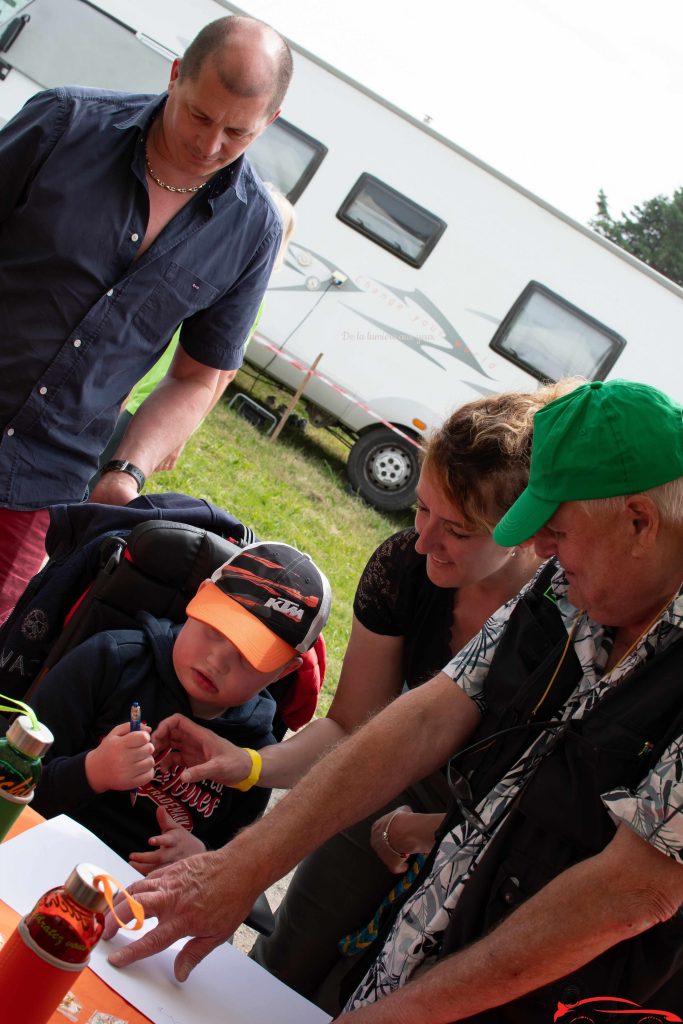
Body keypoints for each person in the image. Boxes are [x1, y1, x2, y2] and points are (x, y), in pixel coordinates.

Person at [106, 379, 683, 1022]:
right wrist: (237, 870)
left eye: (559, 530)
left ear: (639, 522)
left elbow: (632, 893)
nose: (543, 550)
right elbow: (431, 712)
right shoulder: (564, 584)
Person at [0, 14, 293, 623]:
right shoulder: (64, 122)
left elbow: (197, 378)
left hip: (42, 483)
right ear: (176, 75)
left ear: (270, 123)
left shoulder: (254, 230)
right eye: (200, 116)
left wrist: (126, 469)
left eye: (237, 132)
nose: (210, 145)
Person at [31, 540, 331, 872]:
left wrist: (200, 859)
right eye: (216, 631)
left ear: (285, 669)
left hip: (138, 904)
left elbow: (228, 863)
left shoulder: (256, 753)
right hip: (36, 849)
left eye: (248, 656)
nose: (217, 660)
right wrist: (91, 771)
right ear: (199, 597)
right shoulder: (110, 661)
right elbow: (12, 775)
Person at [92, 184, 297, 480]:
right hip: (127, 391)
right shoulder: (213, 269)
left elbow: (222, 372)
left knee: (94, 485)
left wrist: (181, 432)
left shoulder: (242, 293)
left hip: (149, 402)